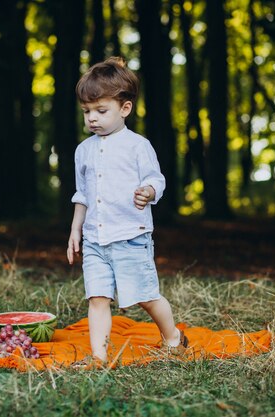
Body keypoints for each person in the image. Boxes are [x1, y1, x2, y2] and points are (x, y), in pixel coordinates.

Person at [66, 56, 188, 363]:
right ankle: (99, 356)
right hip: (95, 239)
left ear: (125, 108)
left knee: (146, 296)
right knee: (97, 297)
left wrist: (147, 192)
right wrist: (75, 230)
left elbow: (155, 179)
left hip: (131, 237)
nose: (92, 118)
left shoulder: (138, 146)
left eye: (101, 110)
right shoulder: (83, 150)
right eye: (87, 111)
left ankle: (173, 337)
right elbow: (83, 194)